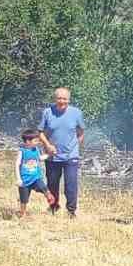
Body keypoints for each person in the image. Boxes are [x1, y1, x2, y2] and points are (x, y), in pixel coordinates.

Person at [38, 87, 85, 218]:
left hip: (71, 156)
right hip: (52, 156)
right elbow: (40, 132)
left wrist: (76, 147)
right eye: (59, 98)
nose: (61, 101)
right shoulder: (48, 112)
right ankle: (54, 206)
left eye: (64, 99)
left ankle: (71, 211)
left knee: (71, 184)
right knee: (52, 183)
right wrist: (47, 145)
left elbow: (81, 132)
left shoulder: (76, 113)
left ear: (69, 100)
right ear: (55, 99)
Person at [14, 129, 56, 217]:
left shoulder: (36, 149)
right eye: (36, 140)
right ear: (28, 141)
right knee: (24, 199)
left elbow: (40, 158)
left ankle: (48, 195)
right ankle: (23, 213)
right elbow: (17, 164)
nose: (38, 142)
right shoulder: (22, 151)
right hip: (24, 180)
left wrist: (49, 155)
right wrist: (18, 179)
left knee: (42, 186)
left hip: (35, 177)